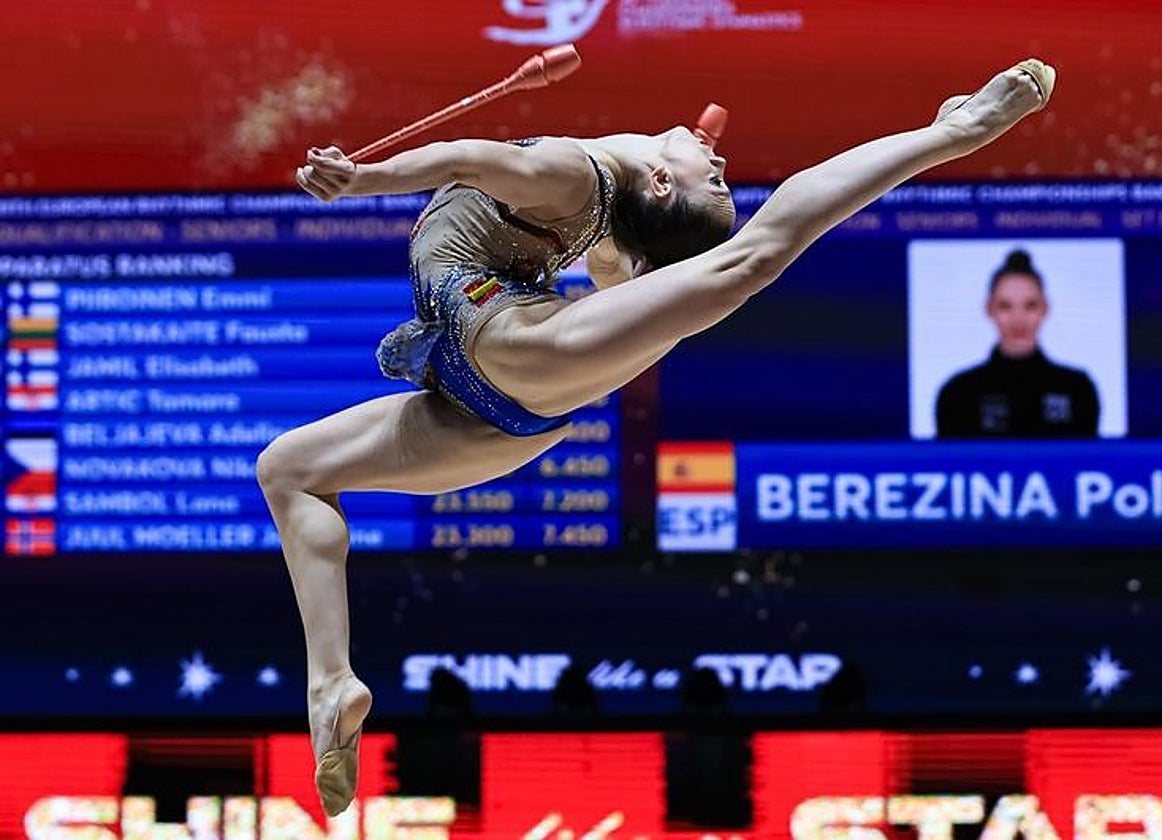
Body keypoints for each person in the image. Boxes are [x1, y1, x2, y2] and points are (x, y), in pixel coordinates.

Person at [258, 59, 1056, 816]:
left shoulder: (573, 170)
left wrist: (363, 179)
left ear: (663, 181)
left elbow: (468, 155)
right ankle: (330, 682)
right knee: (288, 469)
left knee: (752, 258)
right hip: (501, 416)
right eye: (719, 172)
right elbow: (621, 278)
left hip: (514, 348)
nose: (718, 153)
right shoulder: (608, 220)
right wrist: (648, 283)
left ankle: (953, 132)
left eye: (712, 174)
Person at [935, 248, 1100, 438]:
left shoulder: (1077, 389)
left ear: (1045, 309)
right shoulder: (959, 392)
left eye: (1030, 306)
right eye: (1005, 306)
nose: (1018, 320)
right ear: (989, 309)